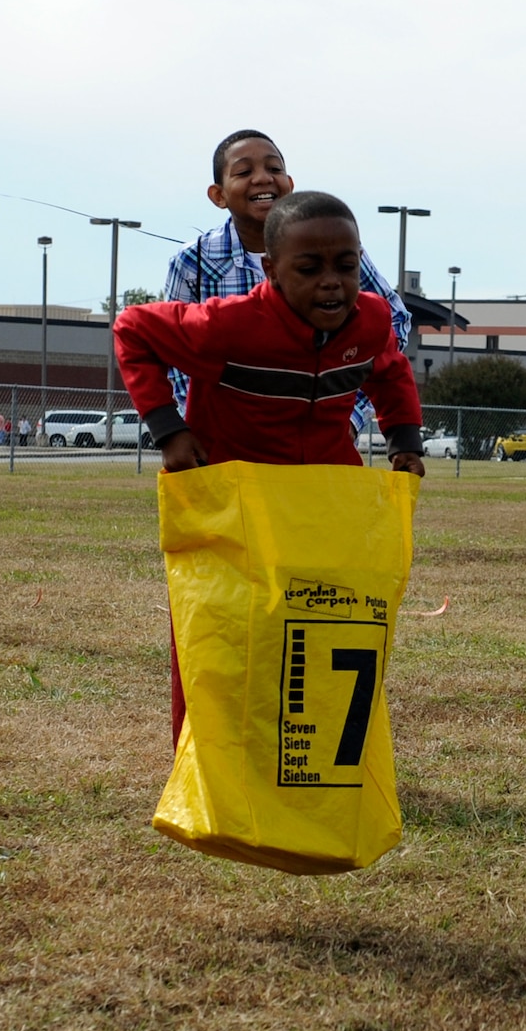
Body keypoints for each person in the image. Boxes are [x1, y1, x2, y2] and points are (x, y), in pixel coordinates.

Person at [114, 191, 426, 747]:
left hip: (323, 493)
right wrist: (168, 428)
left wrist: (404, 437)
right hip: (234, 493)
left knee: (325, 615)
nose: (331, 282)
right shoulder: (226, 327)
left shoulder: (370, 318)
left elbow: (389, 365)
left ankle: (318, 739)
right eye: (309, 269)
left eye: (346, 266)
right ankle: (204, 747)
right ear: (272, 270)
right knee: (217, 622)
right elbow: (133, 329)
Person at [164, 129, 410, 432]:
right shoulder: (193, 261)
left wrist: (350, 415)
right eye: (244, 171)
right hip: (227, 440)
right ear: (219, 195)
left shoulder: (333, 248)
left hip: (317, 436)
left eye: (274, 168)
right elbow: (173, 354)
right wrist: (190, 425)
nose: (262, 178)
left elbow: (394, 321)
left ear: (290, 185)